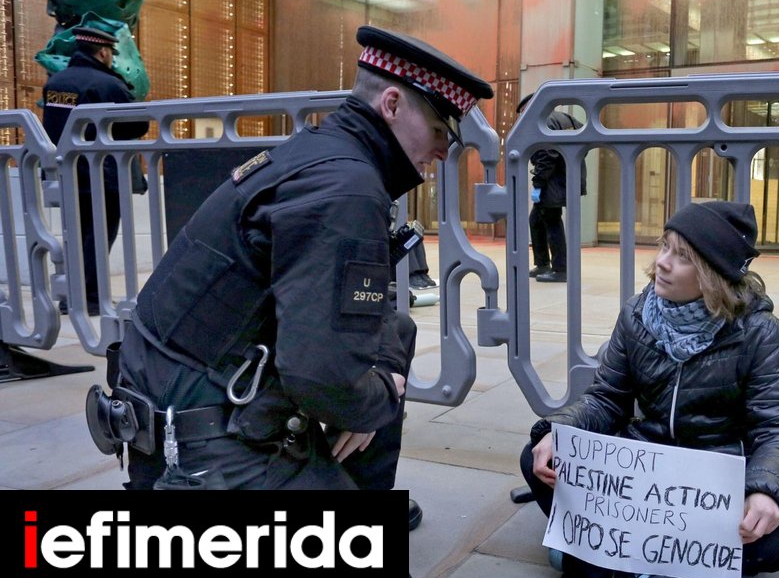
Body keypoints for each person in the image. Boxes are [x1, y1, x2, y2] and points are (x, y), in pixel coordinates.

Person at [103, 26, 493, 493]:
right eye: (438, 131)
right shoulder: (345, 189)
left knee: (394, 341)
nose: (443, 152)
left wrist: (371, 389)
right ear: (391, 105)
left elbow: (362, 312)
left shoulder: (324, 158)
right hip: (202, 441)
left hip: (183, 396)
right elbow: (319, 377)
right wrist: (376, 399)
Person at [518, 201, 779, 578]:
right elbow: (606, 398)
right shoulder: (637, 314)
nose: (662, 262)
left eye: (683, 256)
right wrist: (561, 431)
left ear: (714, 274)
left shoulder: (758, 332)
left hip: (712, 485)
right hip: (642, 478)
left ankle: (606, 561)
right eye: (664, 246)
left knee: (776, 536)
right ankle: (675, 568)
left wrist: (765, 493)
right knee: (537, 457)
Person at [42, 26, 149, 316]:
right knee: (99, 237)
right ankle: (90, 298)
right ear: (103, 52)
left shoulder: (56, 82)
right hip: (102, 173)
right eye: (111, 53)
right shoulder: (107, 84)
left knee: (75, 236)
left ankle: (71, 297)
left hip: (66, 171)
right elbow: (138, 124)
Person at [517, 93, 583, 283]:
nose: (522, 116)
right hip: (568, 177)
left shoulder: (543, 121)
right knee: (536, 219)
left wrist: (538, 184)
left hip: (552, 182)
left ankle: (561, 269)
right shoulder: (565, 118)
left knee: (552, 221)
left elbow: (547, 156)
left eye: (523, 111)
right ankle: (543, 263)